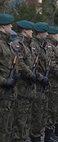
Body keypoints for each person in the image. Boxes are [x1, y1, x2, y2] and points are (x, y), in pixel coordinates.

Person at [0, 13, 18, 142]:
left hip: (9, 93)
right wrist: (5, 81)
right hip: (2, 92)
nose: (11, 26)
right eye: (9, 24)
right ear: (2, 27)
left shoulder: (7, 44)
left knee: (8, 126)